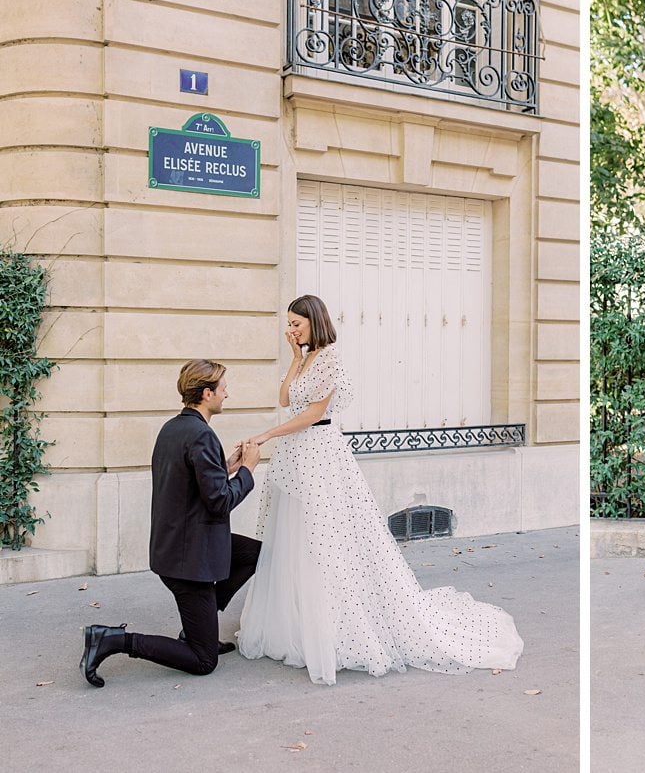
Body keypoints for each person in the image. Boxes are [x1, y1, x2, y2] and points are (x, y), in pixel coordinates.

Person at [236, 294, 523, 685]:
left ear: (314, 322)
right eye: (288, 323)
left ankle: (332, 624)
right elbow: (285, 398)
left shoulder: (331, 357)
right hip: (296, 456)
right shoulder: (304, 357)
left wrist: (266, 434)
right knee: (294, 538)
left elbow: (312, 414)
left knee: (324, 540)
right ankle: (295, 620)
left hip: (320, 454)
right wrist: (292, 357)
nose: (291, 329)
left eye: (296, 324)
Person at [81, 360, 263, 687]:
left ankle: (198, 623)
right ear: (207, 393)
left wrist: (226, 467)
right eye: (223, 389)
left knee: (254, 554)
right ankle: (111, 640)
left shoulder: (174, 428)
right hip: (189, 560)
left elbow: (190, 481)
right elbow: (219, 501)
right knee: (203, 660)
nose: (227, 394)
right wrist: (248, 471)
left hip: (181, 545)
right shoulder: (202, 435)